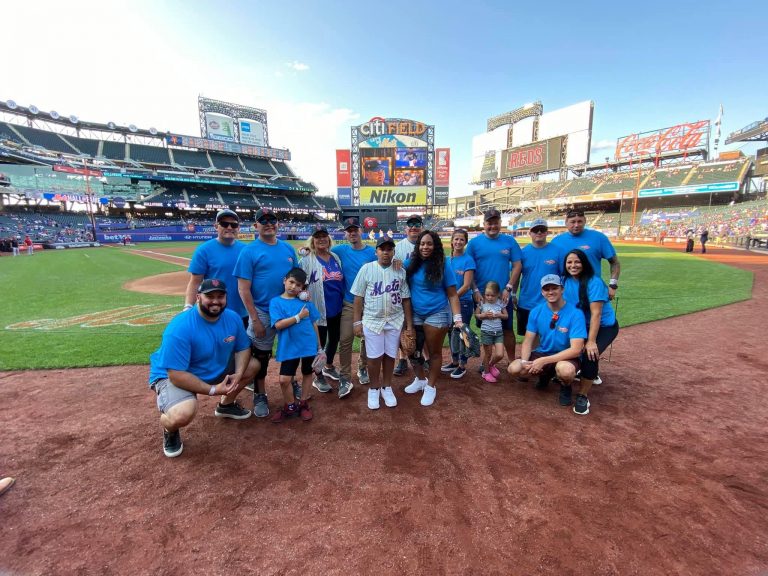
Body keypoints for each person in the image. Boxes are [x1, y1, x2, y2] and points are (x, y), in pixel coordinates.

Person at [148, 279, 260, 458]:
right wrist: (213, 389)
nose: (215, 301)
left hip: (211, 367)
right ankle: (169, 427)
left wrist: (238, 375)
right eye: (210, 296)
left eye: (220, 296)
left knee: (252, 366)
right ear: (198, 297)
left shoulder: (232, 318)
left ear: (226, 297)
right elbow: (176, 374)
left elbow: (242, 348)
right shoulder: (180, 327)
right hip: (174, 375)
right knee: (182, 414)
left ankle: (226, 405)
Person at [235, 208, 298, 418]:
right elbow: (243, 289)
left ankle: (292, 381)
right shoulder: (249, 251)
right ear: (256, 226)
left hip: (286, 310)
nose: (269, 223)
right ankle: (260, 393)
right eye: (263, 220)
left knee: (291, 349)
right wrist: (255, 319)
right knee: (261, 356)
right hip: (262, 311)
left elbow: (297, 280)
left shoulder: (288, 249)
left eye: (272, 220)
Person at [351, 236, 414, 410]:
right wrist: (357, 322)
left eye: (389, 249)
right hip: (372, 320)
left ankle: (387, 387)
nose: (386, 252)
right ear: (376, 251)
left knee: (389, 356)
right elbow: (358, 296)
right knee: (373, 357)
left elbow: (406, 298)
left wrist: (409, 325)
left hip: (394, 320)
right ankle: (373, 388)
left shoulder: (400, 271)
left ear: (393, 251)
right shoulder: (367, 269)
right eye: (382, 249)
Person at [507, 274, 587, 410]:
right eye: (546, 289)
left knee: (565, 371)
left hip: (567, 357)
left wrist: (543, 361)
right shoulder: (536, 311)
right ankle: (546, 374)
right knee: (514, 369)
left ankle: (565, 385)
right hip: (543, 352)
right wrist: (526, 362)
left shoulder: (575, 313)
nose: (550, 292)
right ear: (542, 292)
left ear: (562, 289)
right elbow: (527, 341)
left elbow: (576, 349)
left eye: (554, 288)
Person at [403, 230, 464, 406]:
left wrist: (458, 318)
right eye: (422, 243)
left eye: (429, 244)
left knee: (434, 352)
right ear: (418, 246)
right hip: (415, 313)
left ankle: (431, 386)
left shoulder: (443, 265)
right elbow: (396, 273)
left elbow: (452, 295)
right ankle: (420, 379)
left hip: (437, 312)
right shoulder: (410, 263)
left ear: (435, 246)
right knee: (412, 350)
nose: (425, 247)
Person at [562, 249, 620, 415]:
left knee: (589, 354)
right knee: (566, 349)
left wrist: (591, 341)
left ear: (584, 263)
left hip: (604, 326)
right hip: (580, 326)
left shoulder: (593, 282)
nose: (573, 265)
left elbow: (596, 314)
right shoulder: (564, 281)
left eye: (577, 262)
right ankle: (566, 384)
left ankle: (583, 395)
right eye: (569, 262)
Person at [299, 225, 351, 398]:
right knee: (318, 345)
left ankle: (328, 366)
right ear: (313, 240)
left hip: (336, 307)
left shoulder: (335, 256)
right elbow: (297, 283)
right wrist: (303, 297)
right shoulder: (307, 259)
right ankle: (318, 376)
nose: (321, 239)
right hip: (317, 310)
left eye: (324, 236)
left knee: (334, 339)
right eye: (317, 236)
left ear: (329, 239)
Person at [466, 209, 522, 364]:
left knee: (508, 329)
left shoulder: (509, 241)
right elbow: (468, 269)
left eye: (495, 222)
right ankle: (487, 362)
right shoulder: (474, 244)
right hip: (482, 296)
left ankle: (512, 362)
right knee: (486, 329)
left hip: (503, 295)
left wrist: (509, 287)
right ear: (484, 224)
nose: (492, 226)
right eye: (489, 223)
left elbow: (517, 265)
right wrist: (475, 290)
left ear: (500, 223)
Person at [269, 268, 321, 423]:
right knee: (284, 379)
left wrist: (319, 346)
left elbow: (314, 324)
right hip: (289, 346)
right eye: (291, 282)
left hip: (308, 344)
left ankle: (303, 403)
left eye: (298, 285)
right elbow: (278, 325)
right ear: (285, 280)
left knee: (307, 372)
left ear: (302, 288)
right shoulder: (276, 302)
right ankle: (290, 406)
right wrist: (298, 317)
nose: (293, 287)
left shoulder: (306, 303)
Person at [332, 217, 376, 386]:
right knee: (345, 340)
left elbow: (385, 264)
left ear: (361, 231)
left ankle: (363, 367)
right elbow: (321, 250)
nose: (352, 233)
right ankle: (344, 375)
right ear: (346, 233)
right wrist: (307, 250)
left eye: (355, 229)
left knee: (368, 339)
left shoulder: (372, 252)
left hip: (369, 304)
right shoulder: (340, 250)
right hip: (349, 303)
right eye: (349, 230)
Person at [184, 209, 247, 322]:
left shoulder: (246, 250)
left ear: (238, 227)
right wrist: (188, 306)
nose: (229, 227)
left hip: (244, 313)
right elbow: (195, 282)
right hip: (215, 312)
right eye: (224, 224)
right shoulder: (204, 250)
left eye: (233, 224)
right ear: (216, 226)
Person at [551, 208, 621, 300]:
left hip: (592, 290)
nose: (576, 225)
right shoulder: (556, 241)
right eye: (572, 222)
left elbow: (614, 262)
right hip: (566, 293)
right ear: (566, 222)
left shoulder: (599, 238)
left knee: (596, 314)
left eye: (579, 221)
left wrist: (613, 285)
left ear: (585, 221)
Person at [516, 219, 561, 344]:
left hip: (549, 303)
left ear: (547, 232)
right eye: (536, 230)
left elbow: (564, 276)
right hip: (526, 302)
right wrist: (513, 294)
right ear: (530, 233)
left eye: (542, 230)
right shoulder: (523, 253)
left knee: (549, 335)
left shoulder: (557, 251)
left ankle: (547, 362)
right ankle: (532, 361)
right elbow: (516, 275)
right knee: (530, 336)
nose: (539, 232)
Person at [441, 229, 475, 379]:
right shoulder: (447, 260)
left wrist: (451, 298)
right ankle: (454, 361)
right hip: (448, 302)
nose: (458, 242)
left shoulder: (468, 260)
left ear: (465, 242)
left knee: (462, 333)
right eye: (456, 239)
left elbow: (466, 285)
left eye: (462, 239)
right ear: (452, 241)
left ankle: (462, 364)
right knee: (451, 333)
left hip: (463, 301)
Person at [393, 214, 424, 376]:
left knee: (421, 327)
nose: (413, 227)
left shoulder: (426, 245)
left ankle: (422, 357)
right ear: (405, 228)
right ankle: (402, 359)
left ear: (421, 227)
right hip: (402, 294)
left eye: (417, 224)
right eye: (410, 224)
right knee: (402, 327)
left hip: (421, 293)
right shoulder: (398, 247)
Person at [475, 281, 507, 383]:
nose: (489, 297)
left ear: (498, 294)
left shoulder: (500, 303)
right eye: (487, 295)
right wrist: (483, 315)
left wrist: (499, 315)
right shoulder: (482, 303)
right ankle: (486, 372)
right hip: (486, 332)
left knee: (500, 354)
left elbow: (506, 316)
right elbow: (476, 315)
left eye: (492, 295)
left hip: (498, 332)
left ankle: (490, 365)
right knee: (488, 354)